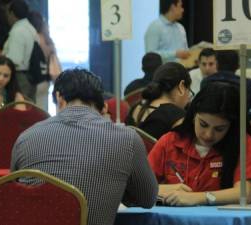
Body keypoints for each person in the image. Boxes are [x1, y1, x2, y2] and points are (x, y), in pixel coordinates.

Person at [11, 68, 158, 225]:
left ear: (59, 97)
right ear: (103, 105)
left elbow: (13, 195)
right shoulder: (128, 139)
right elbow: (147, 199)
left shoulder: (25, 138)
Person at [148, 81, 251, 206]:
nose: (208, 135)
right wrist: (161, 189)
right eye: (203, 124)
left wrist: (198, 198)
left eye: (219, 129)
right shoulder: (170, 141)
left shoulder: (241, 143)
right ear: (193, 116)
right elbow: (135, 188)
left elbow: (244, 195)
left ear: (231, 126)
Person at [125, 62, 192, 139]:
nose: (188, 99)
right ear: (181, 87)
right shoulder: (178, 117)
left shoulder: (136, 108)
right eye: (189, 91)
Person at [201, 50, 251, 119]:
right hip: (238, 128)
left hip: (213, 127)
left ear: (216, 64)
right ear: (238, 65)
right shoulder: (247, 84)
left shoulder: (206, 82)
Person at [3, 0, 38, 101]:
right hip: (31, 75)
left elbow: (14, 59)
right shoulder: (31, 28)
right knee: (30, 108)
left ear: (12, 13)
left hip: (20, 76)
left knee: (21, 108)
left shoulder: (17, 30)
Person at [28, 11, 61, 111]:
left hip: (36, 77)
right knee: (44, 107)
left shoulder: (35, 37)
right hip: (46, 77)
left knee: (36, 108)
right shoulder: (48, 39)